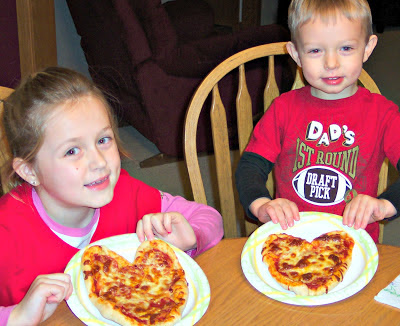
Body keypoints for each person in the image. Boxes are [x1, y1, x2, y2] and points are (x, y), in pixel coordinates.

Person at [0, 67, 223, 325]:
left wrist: (193, 235)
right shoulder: (7, 232)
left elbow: (210, 218)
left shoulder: (126, 193)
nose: (98, 162)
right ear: (30, 171)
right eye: (72, 151)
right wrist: (14, 317)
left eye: (103, 140)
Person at [235, 0, 400, 243]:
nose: (331, 64)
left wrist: (385, 205)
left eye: (345, 48)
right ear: (295, 54)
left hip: (355, 242)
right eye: (315, 51)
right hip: (288, 240)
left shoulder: (383, 114)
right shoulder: (282, 109)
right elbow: (250, 166)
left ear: (367, 48)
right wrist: (261, 204)